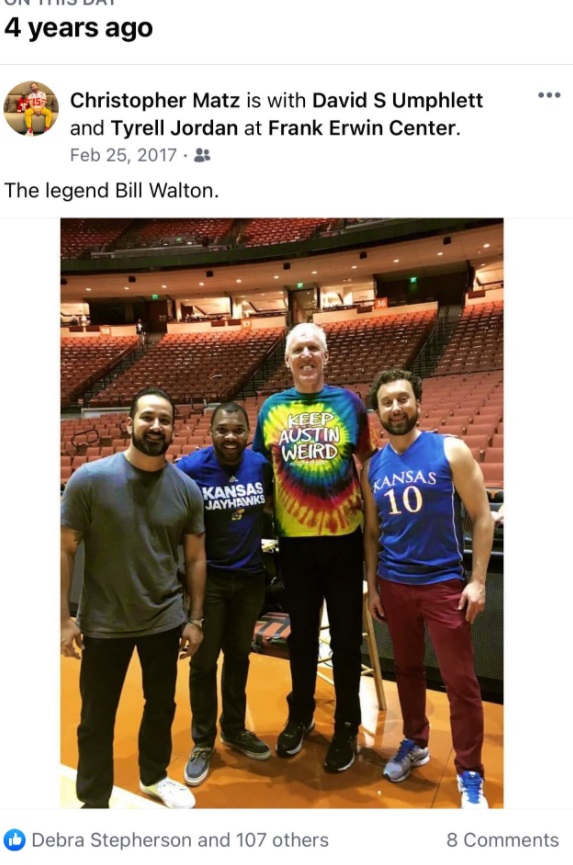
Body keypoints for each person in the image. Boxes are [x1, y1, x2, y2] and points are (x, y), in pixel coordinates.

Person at [61, 387, 206, 809]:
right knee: (96, 719)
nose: (156, 426)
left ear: (172, 427)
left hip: (164, 620)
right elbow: (63, 547)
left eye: (164, 419)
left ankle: (154, 776)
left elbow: (196, 559)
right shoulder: (90, 479)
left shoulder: (185, 489)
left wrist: (195, 619)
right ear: (129, 422)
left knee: (160, 706)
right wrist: (61, 620)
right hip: (105, 622)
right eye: (147, 417)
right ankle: (93, 801)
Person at [362, 368, 493, 809]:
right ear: (377, 412)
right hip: (394, 586)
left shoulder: (448, 449)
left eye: (402, 398)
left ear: (417, 402)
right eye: (386, 402)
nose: (395, 407)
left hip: (443, 585)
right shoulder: (374, 466)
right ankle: (415, 742)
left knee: (460, 683)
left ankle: (470, 770)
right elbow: (372, 532)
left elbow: (482, 516)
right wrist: (373, 585)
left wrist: (477, 582)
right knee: (409, 672)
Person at [252, 322, 375, 773]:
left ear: (326, 357)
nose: (306, 355)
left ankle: (346, 723)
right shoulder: (271, 408)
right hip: (295, 545)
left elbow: (364, 464)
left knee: (345, 640)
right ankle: (300, 714)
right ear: (287, 360)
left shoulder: (350, 404)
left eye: (314, 348)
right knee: (301, 638)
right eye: (298, 349)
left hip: (344, 543)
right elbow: (260, 472)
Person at [177, 402, 273, 786]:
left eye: (237, 430)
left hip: (250, 580)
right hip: (209, 582)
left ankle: (234, 727)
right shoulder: (189, 469)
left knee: (239, 658)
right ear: (211, 431)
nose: (229, 437)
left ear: (248, 432)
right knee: (203, 664)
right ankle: (203, 740)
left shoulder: (260, 467)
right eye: (222, 429)